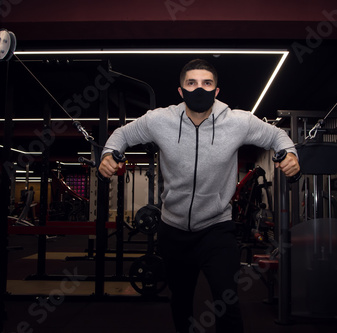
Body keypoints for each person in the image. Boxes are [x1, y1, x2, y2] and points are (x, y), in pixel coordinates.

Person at [99, 59, 300, 333]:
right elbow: (121, 134)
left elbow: (279, 136)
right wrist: (109, 154)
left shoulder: (238, 122)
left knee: (226, 302)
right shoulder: (160, 120)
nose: (199, 89)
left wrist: (290, 154)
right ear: (181, 91)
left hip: (217, 229)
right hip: (173, 229)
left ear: (216, 91)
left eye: (206, 83)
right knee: (180, 302)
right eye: (191, 83)